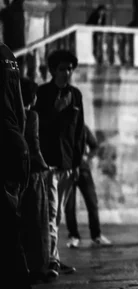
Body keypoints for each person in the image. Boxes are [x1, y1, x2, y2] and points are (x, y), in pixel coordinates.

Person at [36, 49, 85, 276]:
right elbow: (38, 127)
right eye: (63, 69)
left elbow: (79, 131)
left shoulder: (75, 94)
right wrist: (56, 111)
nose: (68, 73)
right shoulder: (42, 94)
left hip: (68, 163)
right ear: (53, 71)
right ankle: (51, 260)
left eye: (70, 69)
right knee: (51, 212)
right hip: (50, 163)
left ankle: (54, 256)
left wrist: (78, 162)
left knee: (59, 215)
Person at [0, 42, 36, 289]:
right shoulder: (7, 54)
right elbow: (22, 113)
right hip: (15, 147)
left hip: (3, 146)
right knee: (10, 238)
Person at [19, 77, 55, 283]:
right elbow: (34, 145)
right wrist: (45, 166)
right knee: (37, 220)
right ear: (32, 97)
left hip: (11, 174)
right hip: (32, 174)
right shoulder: (31, 115)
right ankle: (38, 266)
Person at [65, 125, 112, 248]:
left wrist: (87, 157)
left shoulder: (82, 128)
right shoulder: (61, 125)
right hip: (67, 170)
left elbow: (95, 146)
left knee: (92, 202)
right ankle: (73, 236)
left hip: (83, 170)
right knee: (69, 206)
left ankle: (96, 236)